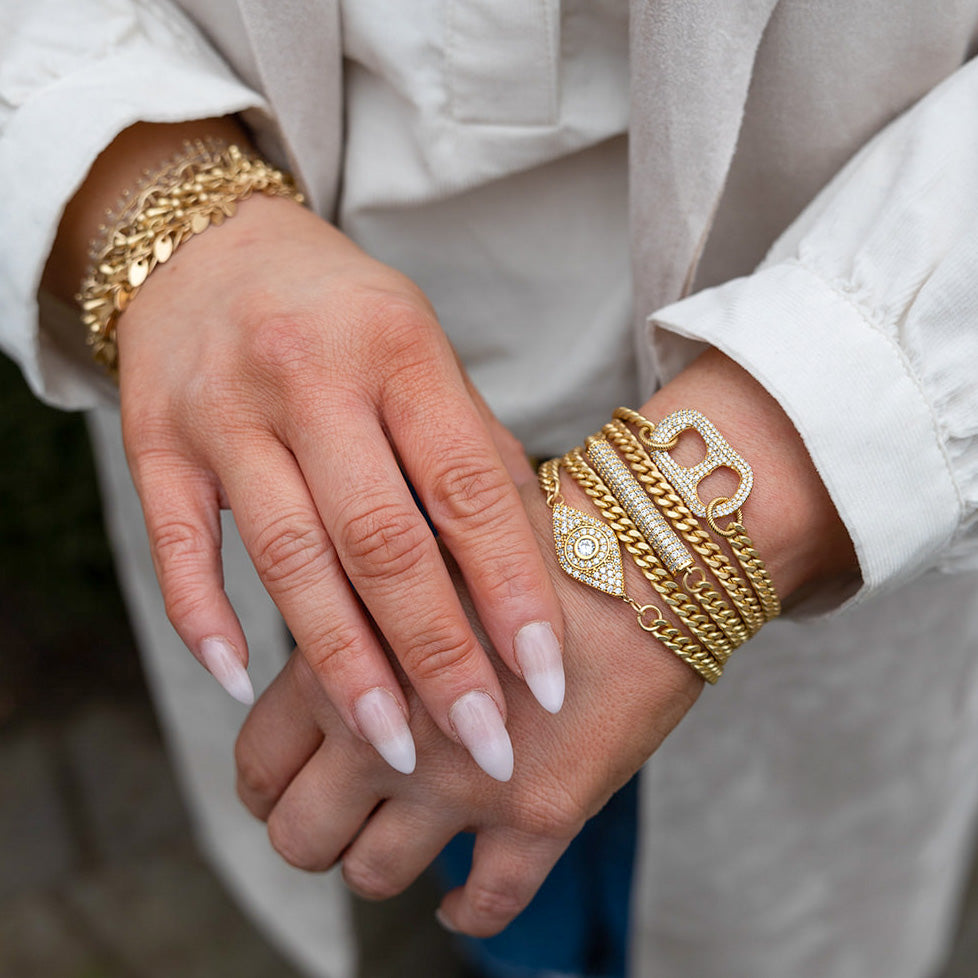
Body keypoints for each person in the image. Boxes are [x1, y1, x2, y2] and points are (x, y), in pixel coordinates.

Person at [3, 2, 978, 976]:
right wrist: (158, 209)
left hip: (846, 432)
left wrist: (797, 446)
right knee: (450, 826)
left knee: (752, 885)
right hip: (267, 394)